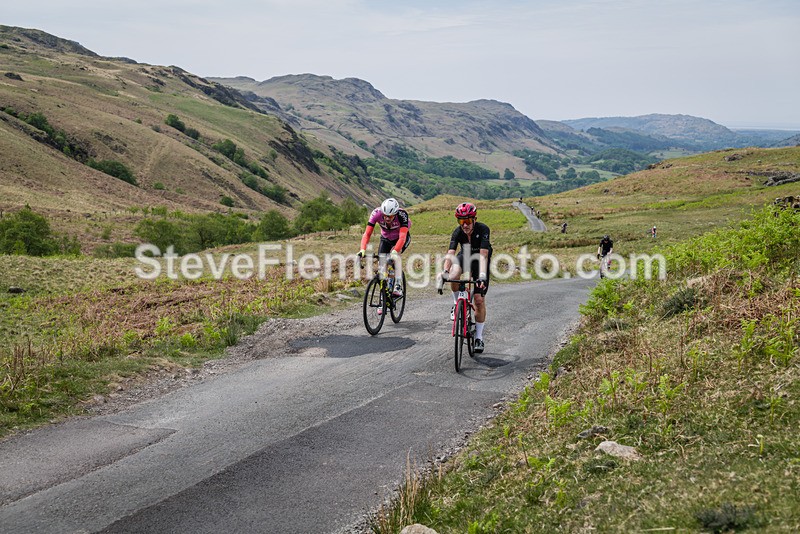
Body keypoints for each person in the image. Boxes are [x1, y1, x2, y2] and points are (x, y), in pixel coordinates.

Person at [439, 202, 492, 353]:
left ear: (474, 219)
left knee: (479, 300)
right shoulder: (458, 232)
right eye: (461, 221)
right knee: (454, 275)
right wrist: (445, 271)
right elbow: (451, 252)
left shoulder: (483, 230)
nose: (464, 225)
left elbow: (483, 255)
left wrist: (481, 277)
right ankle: (457, 304)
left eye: (467, 221)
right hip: (465, 256)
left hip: (480, 261)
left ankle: (479, 338)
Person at [357, 198, 411, 299]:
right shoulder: (376, 214)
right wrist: (362, 250)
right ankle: (384, 296)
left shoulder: (402, 215)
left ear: (395, 214)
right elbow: (367, 233)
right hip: (385, 238)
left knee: (395, 256)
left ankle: (398, 285)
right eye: (385, 215)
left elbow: (402, 237)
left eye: (390, 216)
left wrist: (395, 252)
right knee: (382, 265)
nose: (387, 218)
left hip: (400, 238)